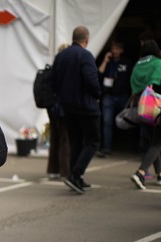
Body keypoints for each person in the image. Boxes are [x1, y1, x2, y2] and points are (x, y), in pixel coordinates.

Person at [51, 26, 101, 194]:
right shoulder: (85, 55)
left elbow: (53, 81)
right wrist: (97, 94)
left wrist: (62, 96)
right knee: (93, 141)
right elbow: (91, 80)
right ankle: (75, 174)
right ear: (86, 39)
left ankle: (76, 177)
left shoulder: (61, 56)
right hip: (86, 106)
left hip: (67, 107)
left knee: (76, 141)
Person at [129, 40, 161, 190]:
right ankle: (140, 173)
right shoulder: (160, 64)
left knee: (152, 141)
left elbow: (133, 85)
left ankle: (160, 174)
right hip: (157, 107)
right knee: (157, 142)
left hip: (142, 107)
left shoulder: (137, 65)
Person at [97, 39, 132, 157]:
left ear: (121, 50)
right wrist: (105, 61)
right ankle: (106, 147)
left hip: (123, 95)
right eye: (113, 48)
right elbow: (99, 74)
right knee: (107, 122)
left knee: (126, 121)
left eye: (117, 48)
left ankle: (128, 146)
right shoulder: (108, 62)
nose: (114, 51)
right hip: (108, 96)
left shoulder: (126, 62)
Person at [46, 43, 70, 180]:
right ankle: (65, 170)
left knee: (55, 137)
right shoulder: (65, 68)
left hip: (51, 106)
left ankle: (52, 169)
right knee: (65, 138)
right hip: (62, 106)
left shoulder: (53, 67)